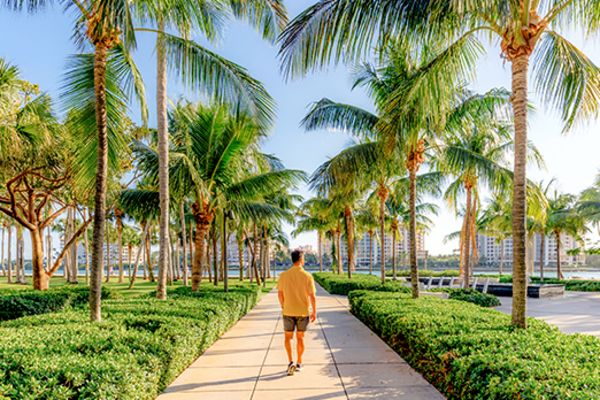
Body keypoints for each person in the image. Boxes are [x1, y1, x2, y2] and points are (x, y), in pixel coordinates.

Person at [277, 249, 317, 376]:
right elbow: (312, 296)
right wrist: (314, 312)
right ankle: (299, 363)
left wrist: (283, 306)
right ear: (301, 260)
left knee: (288, 337)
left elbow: (280, 293)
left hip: (288, 311)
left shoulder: (284, 275)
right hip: (303, 312)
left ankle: (290, 362)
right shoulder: (307, 276)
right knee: (300, 338)